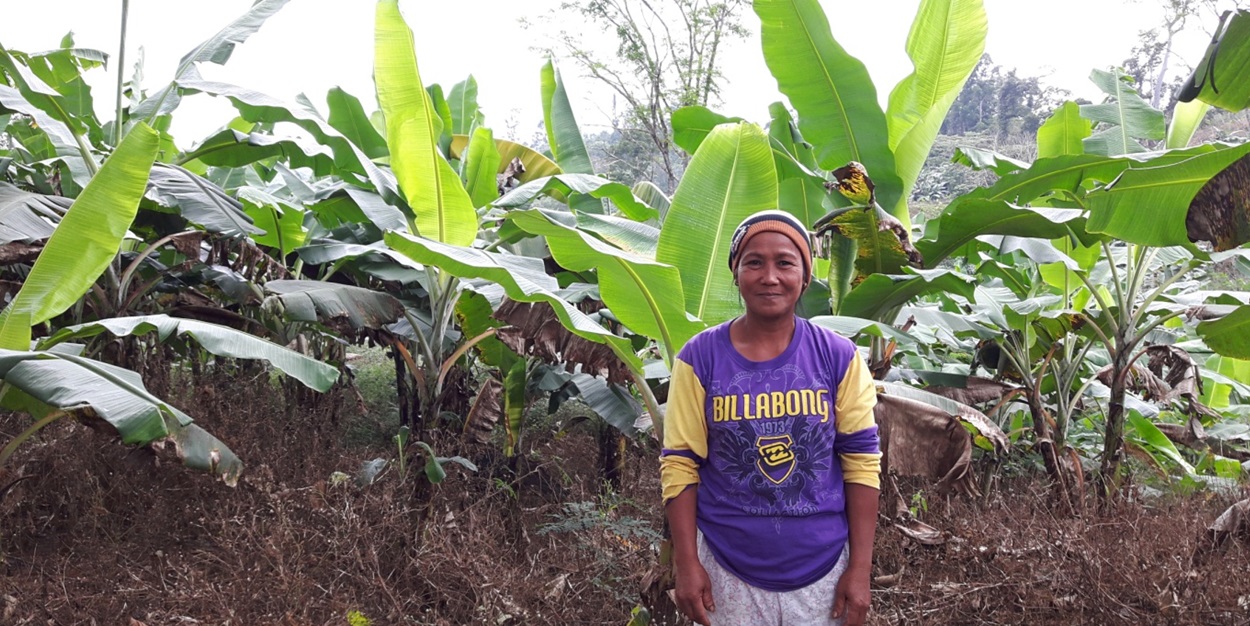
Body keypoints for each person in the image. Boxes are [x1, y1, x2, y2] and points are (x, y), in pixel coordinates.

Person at [660, 210, 881, 626]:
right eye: (754, 262)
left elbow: (861, 461)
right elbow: (680, 462)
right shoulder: (699, 358)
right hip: (727, 568)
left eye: (785, 262)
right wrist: (686, 565)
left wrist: (861, 569)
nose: (769, 276)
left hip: (823, 569)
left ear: (805, 274)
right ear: (736, 271)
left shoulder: (838, 356)